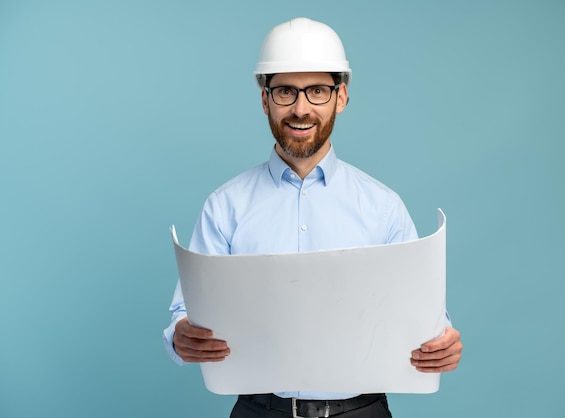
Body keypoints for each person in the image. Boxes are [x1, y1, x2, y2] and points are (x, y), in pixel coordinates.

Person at [163, 17, 463, 418]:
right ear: (265, 99)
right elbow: (184, 314)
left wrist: (442, 344)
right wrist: (182, 338)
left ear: (341, 97)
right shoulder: (224, 206)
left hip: (362, 411)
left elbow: (426, 320)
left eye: (317, 91)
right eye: (285, 91)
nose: (301, 109)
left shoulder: (383, 207)